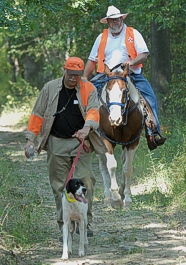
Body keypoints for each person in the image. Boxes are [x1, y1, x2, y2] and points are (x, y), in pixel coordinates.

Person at [24, 57, 106, 237]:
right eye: (70, 73)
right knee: (60, 186)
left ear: (81, 74)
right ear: (64, 70)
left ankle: (84, 223)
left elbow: (93, 110)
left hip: (81, 143)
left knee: (86, 182)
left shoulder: (89, 89)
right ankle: (65, 225)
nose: (73, 78)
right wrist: (31, 139)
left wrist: (86, 128)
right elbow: (37, 114)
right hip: (56, 143)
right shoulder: (50, 88)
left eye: (77, 75)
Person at [83, 5, 166, 151]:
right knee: (86, 98)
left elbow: (144, 54)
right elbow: (92, 60)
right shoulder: (101, 37)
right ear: (108, 22)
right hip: (105, 76)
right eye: (112, 20)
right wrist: (84, 77)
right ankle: (86, 135)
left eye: (117, 19)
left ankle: (152, 132)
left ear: (122, 19)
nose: (115, 23)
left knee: (150, 98)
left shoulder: (133, 33)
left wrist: (132, 62)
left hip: (131, 74)